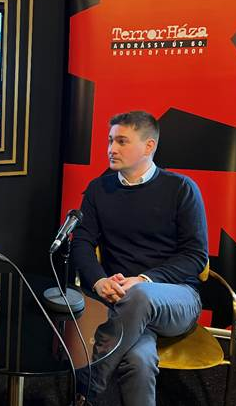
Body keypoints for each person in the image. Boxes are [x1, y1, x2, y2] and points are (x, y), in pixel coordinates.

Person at [71, 110, 208, 406]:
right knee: (139, 360)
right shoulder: (98, 189)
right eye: (110, 140)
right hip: (121, 303)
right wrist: (98, 281)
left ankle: (86, 390)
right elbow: (81, 242)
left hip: (176, 297)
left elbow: (195, 256)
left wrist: (145, 279)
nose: (111, 148)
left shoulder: (181, 188)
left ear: (149, 146)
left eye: (121, 141)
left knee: (141, 294)